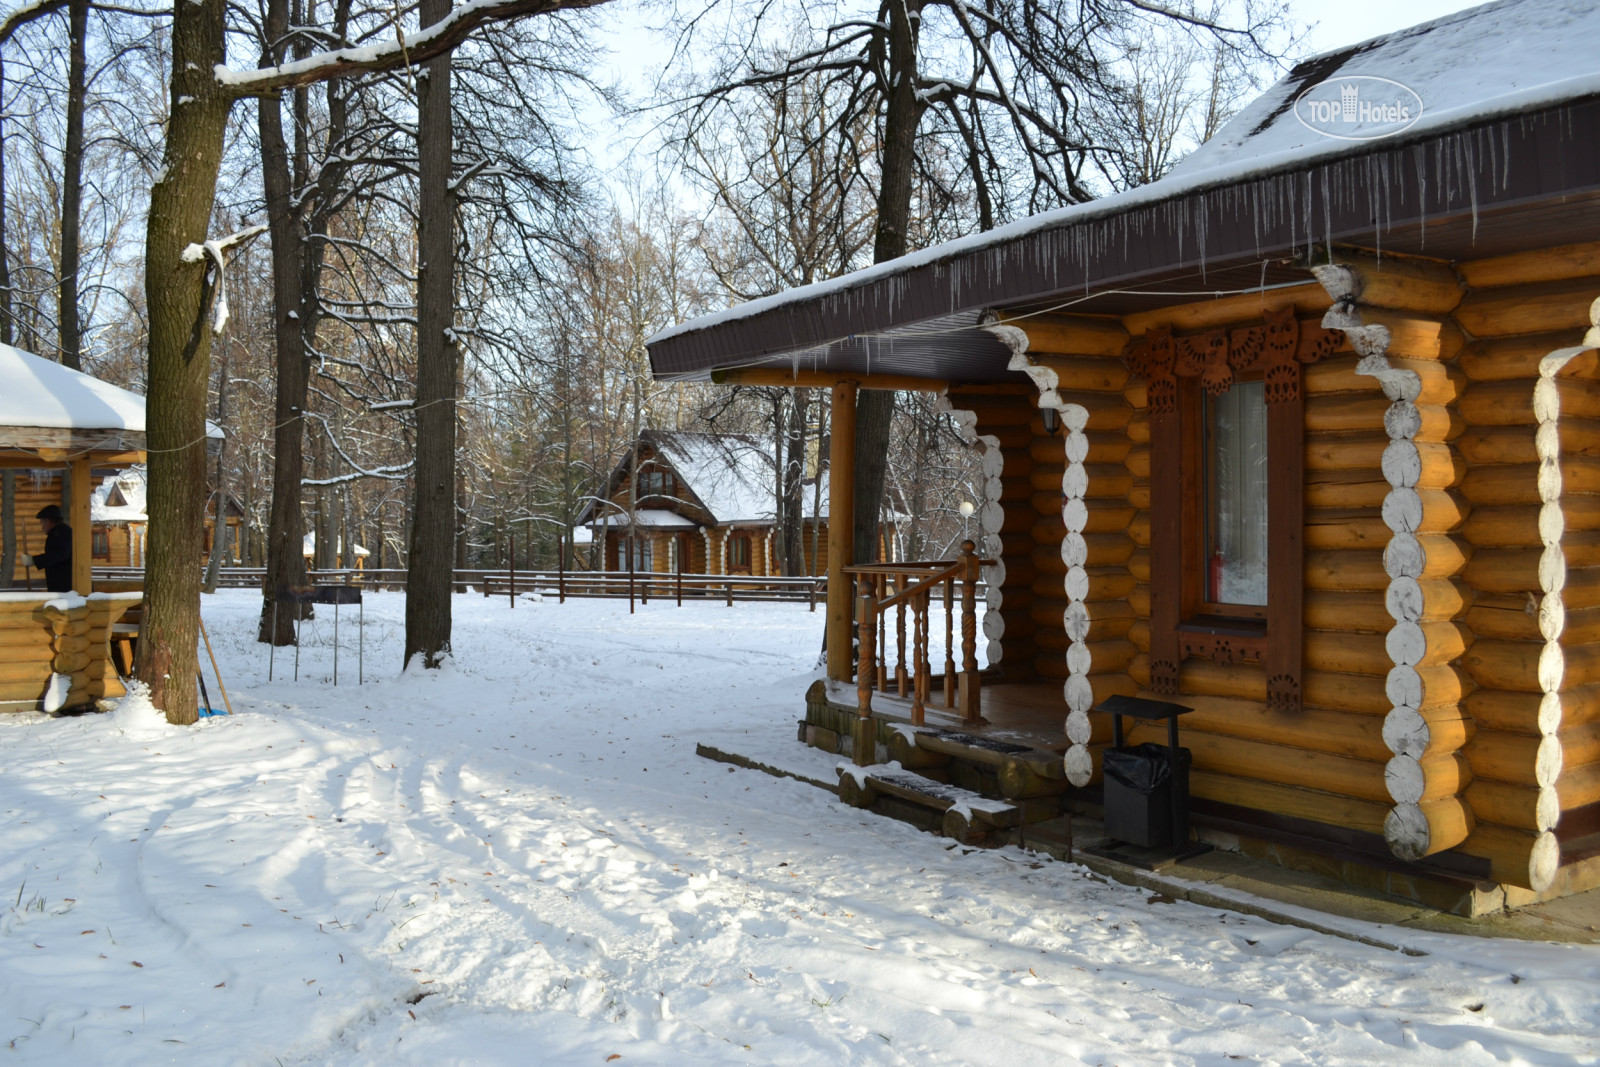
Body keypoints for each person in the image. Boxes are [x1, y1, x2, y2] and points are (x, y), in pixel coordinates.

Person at [32, 504, 73, 593]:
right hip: (64, 585)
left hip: (66, 586)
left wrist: (35, 560)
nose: (42, 527)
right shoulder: (60, 532)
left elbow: (61, 553)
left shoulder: (61, 533)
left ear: (48, 521)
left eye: (42, 522)